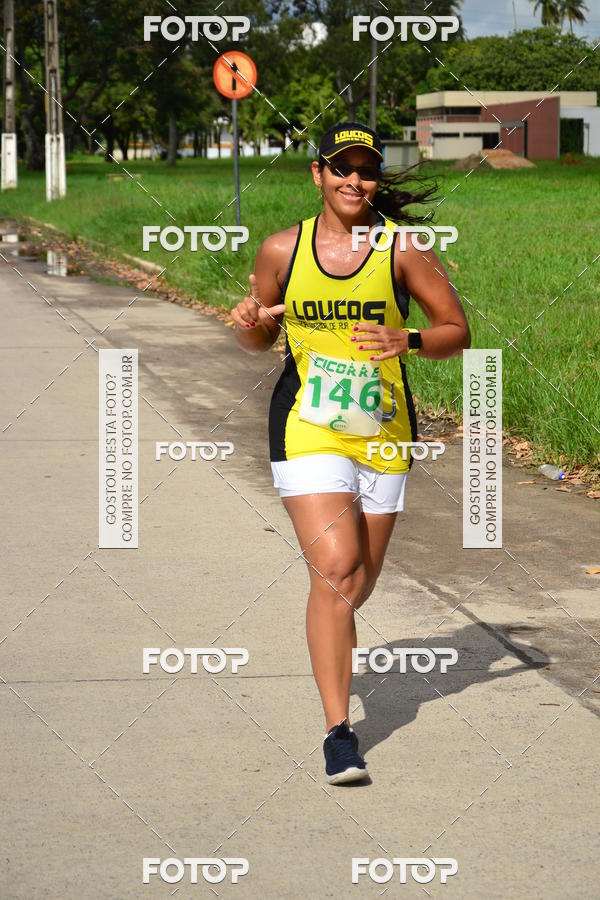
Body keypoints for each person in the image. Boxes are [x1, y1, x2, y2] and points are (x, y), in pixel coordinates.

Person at [231, 121, 470, 784]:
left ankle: (327, 629)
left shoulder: (400, 250)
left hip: (384, 427)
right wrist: (252, 325)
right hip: (307, 422)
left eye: (365, 171)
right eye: (340, 169)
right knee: (336, 566)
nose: (352, 181)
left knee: (355, 581)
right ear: (318, 175)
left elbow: (458, 330)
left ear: (375, 179)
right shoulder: (283, 249)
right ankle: (339, 731)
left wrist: (408, 341)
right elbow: (260, 335)